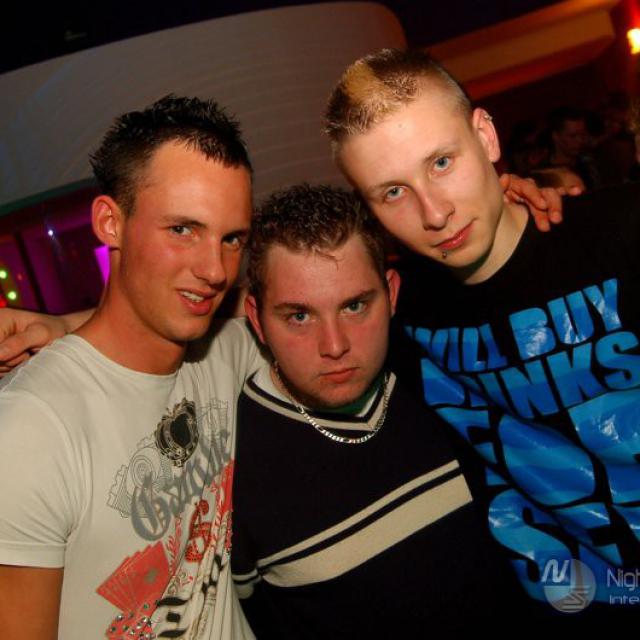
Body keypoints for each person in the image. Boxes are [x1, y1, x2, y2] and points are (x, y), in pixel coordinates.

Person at [325, 48, 640, 614]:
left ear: (486, 137)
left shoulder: (622, 232)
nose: (434, 213)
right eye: (392, 191)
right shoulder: (396, 313)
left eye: (442, 162)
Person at [0, 95, 263, 639]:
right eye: (183, 229)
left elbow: (295, 303)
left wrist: (62, 322)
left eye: (231, 238)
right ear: (110, 223)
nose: (215, 269)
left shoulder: (224, 351)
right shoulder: (30, 429)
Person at [231, 183, 523, 636]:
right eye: (299, 316)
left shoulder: (452, 375)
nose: (334, 346)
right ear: (257, 320)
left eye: (354, 306)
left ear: (391, 294)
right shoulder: (231, 469)